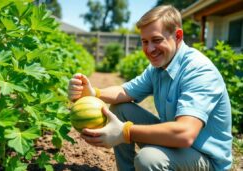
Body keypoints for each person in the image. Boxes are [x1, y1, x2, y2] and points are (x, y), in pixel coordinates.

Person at [68, 5, 232, 171]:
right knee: (121, 108)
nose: (149, 49)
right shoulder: (158, 68)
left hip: (206, 160)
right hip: (178, 147)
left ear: (178, 36)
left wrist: (124, 132)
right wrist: (94, 93)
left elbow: (185, 134)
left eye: (157, 40)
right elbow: (125, 92)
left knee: (149, 159)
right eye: (145, 42)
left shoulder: (199, 70)